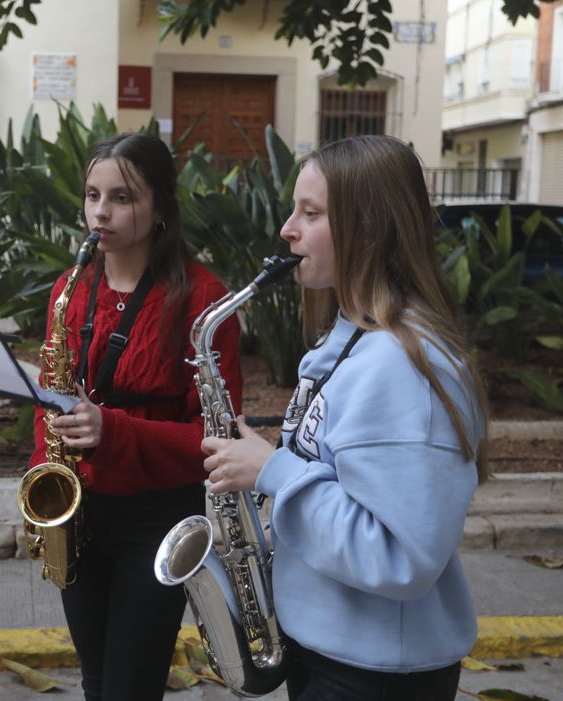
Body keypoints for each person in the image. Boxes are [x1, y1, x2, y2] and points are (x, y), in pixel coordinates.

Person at [200, 134, 489, 701]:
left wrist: (275, 472)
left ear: (369, 229)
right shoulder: (352, 339)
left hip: (373, 675)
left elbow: (401, 558)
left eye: (311, 213)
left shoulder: (402, 367)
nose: (287, 229)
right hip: (332, 651)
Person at [29, 132, 244, 701]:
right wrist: (41, 482)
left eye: (121, 197)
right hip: (79, 510)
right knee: (97, 681)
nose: (101, 212)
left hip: (159, 518)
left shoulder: (203, 299)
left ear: (160, 209)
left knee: (132, 686)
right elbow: (52, 395)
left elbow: (219, 438)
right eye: (92, 195)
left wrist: (113, 431)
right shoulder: (69, 290)